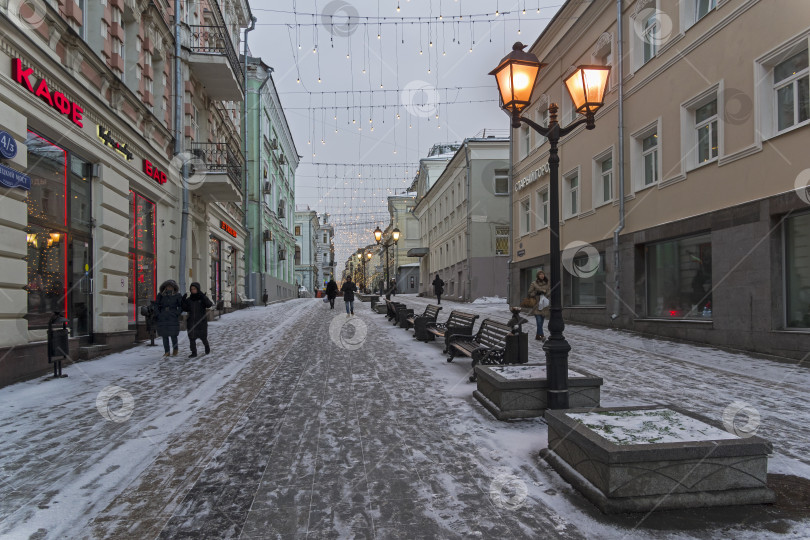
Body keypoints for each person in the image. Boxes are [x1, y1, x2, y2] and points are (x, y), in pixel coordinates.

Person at [182, 282, 212, 358]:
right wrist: (183, 301)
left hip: (201, 321)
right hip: (191, 321)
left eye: (194, 289)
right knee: (191, 338)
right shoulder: (189, 300)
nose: (193, 290)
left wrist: (204, 297)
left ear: (198, 289)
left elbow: (209, 304)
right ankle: (194, 352)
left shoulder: (202, 298)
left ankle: (207, 346)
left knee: (203, 337)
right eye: (191, 289)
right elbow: (185, 308)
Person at [154, 279, 183, 357]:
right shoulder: (161, 295)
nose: (169, 288)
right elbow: (156, 305)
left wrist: (176, 313)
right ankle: (167, 351)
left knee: (173, 335)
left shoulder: (177, 295)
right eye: (168, 286)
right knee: (164, 335)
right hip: (163, 317)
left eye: (171, 287)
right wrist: (158, 314)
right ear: (165, 287)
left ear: (174, 288)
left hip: (172, 317)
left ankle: (175, 349)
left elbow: (181, 306)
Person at [528, 271, 550, 341]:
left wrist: (545, 293)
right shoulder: (534, 283)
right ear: (538, 276)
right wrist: (537, 292)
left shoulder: (547, 283)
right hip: (536, 305)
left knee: (541, 322)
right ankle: (542, 335)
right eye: (540, 274)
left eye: (543, 274)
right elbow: (530, 293)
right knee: (539, 321)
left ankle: (538, 335)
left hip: (544, 305)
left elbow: (549, 292)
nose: (542, 275)